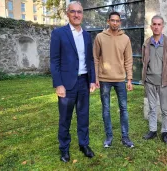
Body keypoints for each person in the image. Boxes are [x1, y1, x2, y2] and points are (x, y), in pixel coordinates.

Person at [50, 1, 96, 162]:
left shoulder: (86, 35)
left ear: (82, 14)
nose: (76, 15)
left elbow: (90, 59)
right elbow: (54, 61)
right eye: (73, 12)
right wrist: (58, 84)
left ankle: (84, 144)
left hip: (84, 82)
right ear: (67, 13)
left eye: (79, 12)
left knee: (83, 116)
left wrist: (92, 80)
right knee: (65, 118)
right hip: (67, 84)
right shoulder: (59, 34)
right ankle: (64, 148)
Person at [93, 11, 134, 148]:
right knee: (106, 109)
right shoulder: (100, 37)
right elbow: (95, 58)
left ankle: (125, 137)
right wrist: (96, 77)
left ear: (120, 22)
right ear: (108, 21)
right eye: (112, 20)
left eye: (117, 21)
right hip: (104, 79)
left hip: (120, 79)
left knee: (124, 108)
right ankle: (109, 137)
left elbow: (128, 60)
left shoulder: (125, 39)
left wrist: (129, 79)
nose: (115, 23)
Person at [141, 15, 167, 143]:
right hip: (149, 81)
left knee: (165, 108)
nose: (156, 27)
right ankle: (153, 130)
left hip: (164, 82)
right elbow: (144, 62)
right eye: (154, 24)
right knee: (152, 107)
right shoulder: (146, 43)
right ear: (151, 26)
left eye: (159, 24)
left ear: (162, 26)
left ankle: (165, 132)